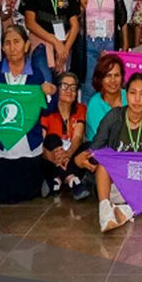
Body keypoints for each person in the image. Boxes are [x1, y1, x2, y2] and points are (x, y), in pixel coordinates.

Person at [75, 74, 142, 232]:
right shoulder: (114, 116)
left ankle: (126, 210)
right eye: (132, 93)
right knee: (105, 161)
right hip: (116, 182)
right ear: (126, 95)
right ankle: (105, 211)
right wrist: (82, 158)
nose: (137, 99)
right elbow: (96, 146)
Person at [0, 25, 55, 204]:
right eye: (7, 43)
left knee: (29, 194)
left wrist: (49, 93)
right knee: (2, 195)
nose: (12, 47)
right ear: (2, 48)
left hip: (28, 144)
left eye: (17, 42)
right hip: (1, 145)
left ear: (26, 45)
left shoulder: (37, 75)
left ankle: (44, 179)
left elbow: (46, 109)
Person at [73, 0, 129, 103]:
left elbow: (122, 16)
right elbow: (72, 20)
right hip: (87, 44)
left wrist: (125, 45)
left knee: (112, 87)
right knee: (90, 88)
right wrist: (81, 7)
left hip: (110, 43)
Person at [39, 72, 89, 200]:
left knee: (89, 147)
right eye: (64, 86)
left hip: (71, 155)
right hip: (51, 157)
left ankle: (57, 179)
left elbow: (77, 137)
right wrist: (49, 156)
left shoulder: (81, 109)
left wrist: (69, 153)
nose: (69, 91)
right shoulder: (47, 110)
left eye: (73, 88)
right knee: (52, 139)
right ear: (57, 88)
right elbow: (40, 142)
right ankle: (72, 179)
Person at [85, 54, 128, 141]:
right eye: (108, 75)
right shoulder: (95, 103)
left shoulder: (129, 97)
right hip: (100, 147)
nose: (113, 80)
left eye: (117, 75)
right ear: (100, 79)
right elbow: (104, 136)